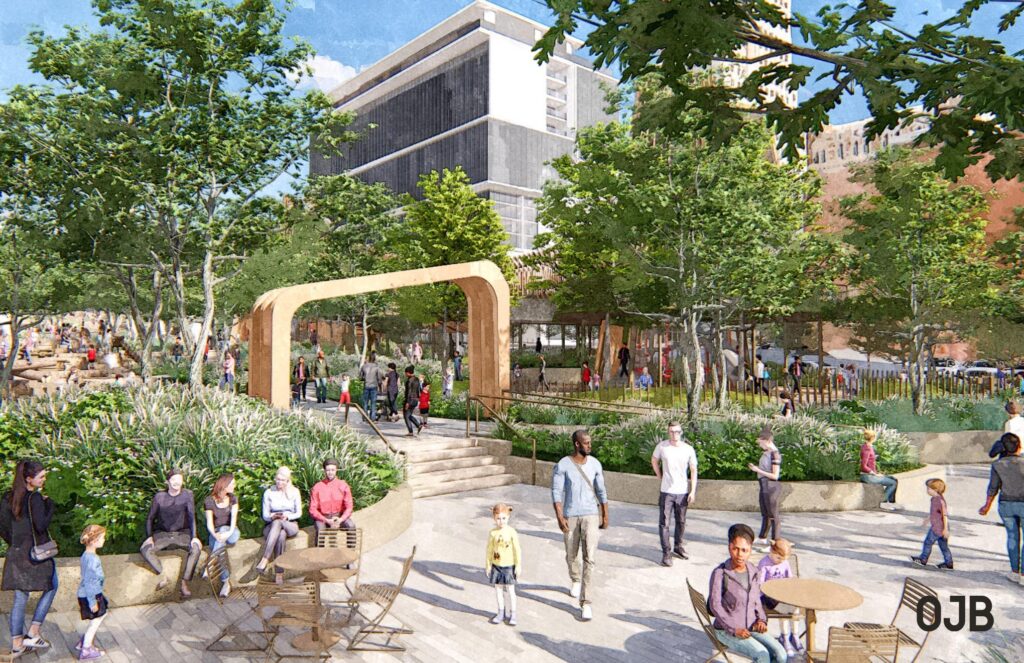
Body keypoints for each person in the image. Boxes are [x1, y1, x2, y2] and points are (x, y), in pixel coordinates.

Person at [0, 460, 58, 656]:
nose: (44, 480)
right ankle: (33, 631)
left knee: (20, 597)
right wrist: (49, 505)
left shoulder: (8, 497)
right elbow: (41, 526)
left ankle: (17, 643)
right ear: (29, 479)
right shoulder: (35, 498)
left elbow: (2, 527)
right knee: (52, 585)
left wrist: (15, 542)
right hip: (35, 555)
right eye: (41, 477)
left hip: (16, 553)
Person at [551, 430, 609, 621]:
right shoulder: (563, 465)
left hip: (591, 515)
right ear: (577, 444)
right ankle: (575, 578)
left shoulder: (595, 464)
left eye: (590, 443)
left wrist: (605, 514)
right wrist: (560, 516)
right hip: (570, 515)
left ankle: (586, 602)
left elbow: (601, 490)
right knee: (570, 554)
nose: (589, 446)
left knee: (589, 559)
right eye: (586, 443)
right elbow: (556, 491)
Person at [708, 523, 787, 663]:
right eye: (735, 549)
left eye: (744, 550)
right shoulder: (720, 573)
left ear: (750, 550)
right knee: (762, 655)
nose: (739, 555)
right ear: (729, 547)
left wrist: (761, 619)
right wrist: (734, 629)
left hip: (751, 626)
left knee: (781, 654)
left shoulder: (753, 572)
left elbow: (756, 600)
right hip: (726, 630)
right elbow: (715, 606)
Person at [140, 468, 202, 598]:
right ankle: (164, 575)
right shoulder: (159, 497)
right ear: (168, 482)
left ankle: (184, 582)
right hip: (163, 534)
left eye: (179, 480)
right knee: (145, 549)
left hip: (182, 534)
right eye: (173, 480)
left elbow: (192, 517)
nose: (176, 483)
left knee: (196, 548)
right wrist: (149, 537)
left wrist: (194, 537)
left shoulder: (188, 495)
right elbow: (150, 518)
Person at [243, 467, 302, 584]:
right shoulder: (269, 492)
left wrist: (287, 516)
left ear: (288, 481)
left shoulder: (294, 492)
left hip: (290, 524)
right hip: (271, 526)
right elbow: (265, 515)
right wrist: (272, 516)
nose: (279, 482)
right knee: (280, 534)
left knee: (280, 522)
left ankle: (265, 559)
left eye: (283, 480)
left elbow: (299, 513)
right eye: (278, 479)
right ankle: (279, 574)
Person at [651, 421, 698, 566]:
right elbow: (654, 460)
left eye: (677, 431)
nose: (674, 434)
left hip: (682, 491)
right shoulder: (662, 447)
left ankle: (678, 546)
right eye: (671, 431)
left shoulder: (688, 449)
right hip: (667, 491)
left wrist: (693, 491)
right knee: (664, 523)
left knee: (681, 521)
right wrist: (659, 475)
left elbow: (694, 470)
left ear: (681, 432)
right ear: (668, 432)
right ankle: (666, 553)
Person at [979, 433, 1024, 584]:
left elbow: (993, 487)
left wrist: (986, 506)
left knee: (1012, 537)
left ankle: (1014, 571)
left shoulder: (998, 464)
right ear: (1019, 446)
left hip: (1005, 505)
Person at [757, 538, 802, 656]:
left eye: (783, 560)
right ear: (771, 551)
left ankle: (795, 635)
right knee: (786, 610)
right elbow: (760, 584)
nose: (780, 562)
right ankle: (785, 637)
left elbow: (789, 579)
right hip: (769, 596)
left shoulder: (784, 563)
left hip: (782, 593)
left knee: (795, 607)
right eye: (778, 558)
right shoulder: (764, 563)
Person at [486, 503, 522, 626]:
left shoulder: (512, 532)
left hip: (509, 566)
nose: (501, 521)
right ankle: (501, 612)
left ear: (508, 517)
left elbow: (517, 549)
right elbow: (489, 549)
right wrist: (488, 564)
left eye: (504, 518)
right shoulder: (493, 533)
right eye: (498, 519)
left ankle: (513, 614)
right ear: (494, 518)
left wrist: (518, 565)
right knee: (498, 590)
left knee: (511, 591)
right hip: (496, 565)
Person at [204, 473, 240, 597]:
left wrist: (227, 533)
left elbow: (233, 521)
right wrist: (215, 535)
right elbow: (209, 524)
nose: (235, 486)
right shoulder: (209, 500)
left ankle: (209, 564)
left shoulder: (233, 498)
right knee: (220, 551)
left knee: (224, 529)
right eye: (232, 483)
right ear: (224, 484)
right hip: (216, 534)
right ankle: (226, 583)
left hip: (232, 532)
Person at [76, 525, 108, 660]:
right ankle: (86, 649)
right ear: (94, 541)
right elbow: (90, 582)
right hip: (92, 595)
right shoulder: (93, 559)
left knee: (100, 616)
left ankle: (84, 642)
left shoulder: (86, 555)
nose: (104, 540)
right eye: (102, 538)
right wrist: (92, 601)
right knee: (96, 620)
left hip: (90, 593)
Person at [748, 427, 782, 553]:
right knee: (765, 513)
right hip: (764, 484)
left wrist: (758, 470)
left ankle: (775, 543)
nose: (759, 445)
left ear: (766, 440)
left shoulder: (774, 454)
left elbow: (775, 475)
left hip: (771, 486)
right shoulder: (767, 453)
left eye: (760, 442)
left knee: (774, 515)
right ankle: (763, 537)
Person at [911, 478, 954, 571]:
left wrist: (945, 529)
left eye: (928, 489)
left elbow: (945, 515)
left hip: (938, 528)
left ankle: (923, 559)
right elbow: (933, 512)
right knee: (943, 546)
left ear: (935, 489)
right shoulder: (934, 499)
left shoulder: (940, 501)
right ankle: (949, 563)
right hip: (937, 526)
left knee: (928, 542)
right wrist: (927, 519)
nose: (927, 491)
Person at [309, 458, 355, 540]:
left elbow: (349, 507)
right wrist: (326, 520)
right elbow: (312, 509)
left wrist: (341, 519)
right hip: (323, 518)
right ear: (324, 470)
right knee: (320, 531)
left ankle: (350, 551)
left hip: (339, 516)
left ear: (336, 470)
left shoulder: (343, 485)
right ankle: (319, 552)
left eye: (333, 470)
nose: (330, 472)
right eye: (328, 470)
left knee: (351, 526)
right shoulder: (317, 487)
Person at [859, 429, 900, 510]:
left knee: (893, 479)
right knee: (893, 483)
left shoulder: (866, 446)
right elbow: (863, 466)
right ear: (873, 437)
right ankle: (883, 502)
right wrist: (874, 474)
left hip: (869, 475)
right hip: (868, 476)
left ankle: (891, 503)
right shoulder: (867, 448)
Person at [359, 353, 384, 421]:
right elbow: (379, 379)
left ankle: (365, 417)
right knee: (373, 403)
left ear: (368, 358)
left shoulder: (364, 366)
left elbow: (360, 377)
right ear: (375, 359)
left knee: (365, 402)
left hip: (366, 385)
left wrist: (365, 378)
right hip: (374, 386)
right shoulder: (377, 367)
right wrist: (380, 387)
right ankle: (372, 418)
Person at [403, 366, 424, 436]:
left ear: (408, 373)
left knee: (406, 416)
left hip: (410, 400)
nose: (405, 374)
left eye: (405, 373)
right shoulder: (417, 379)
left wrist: (407, 402)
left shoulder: (409, 381)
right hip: (415, 400)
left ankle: (411, 431)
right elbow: (419, 390)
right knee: (409, 415)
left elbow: (409, 392)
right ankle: (418, 425)